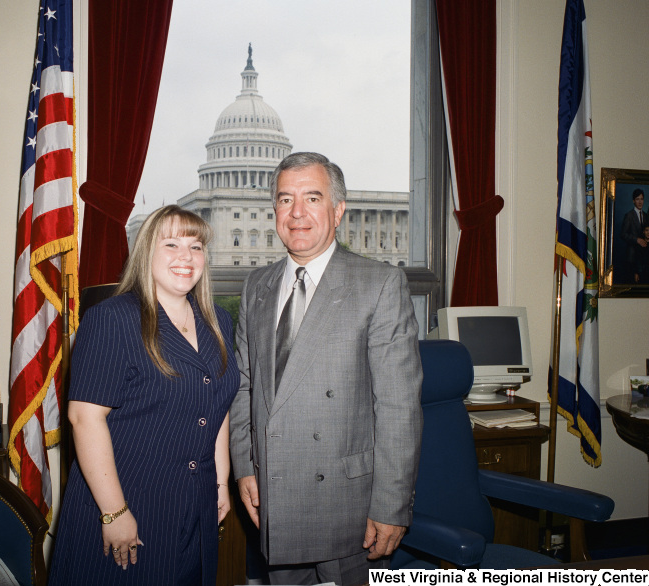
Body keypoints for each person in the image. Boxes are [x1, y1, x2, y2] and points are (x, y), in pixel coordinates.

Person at [229, 152, 423, 585]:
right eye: (285, 200)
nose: (297, 213)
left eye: (312, 198)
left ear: (337, 211)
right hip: (272, 496)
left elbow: (398, 408)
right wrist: (244, 465)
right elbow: (244, 387)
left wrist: (390, 506)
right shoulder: (256, 286)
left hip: (346, 507)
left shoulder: (380, 284)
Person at [48, 206, 240, 586]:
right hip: (127, 499)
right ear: (145, 253)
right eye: (171, 244)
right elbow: (84, 419)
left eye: (196, 246)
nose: (186, 257)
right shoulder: (113, 318)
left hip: (195, 504)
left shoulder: (218, 320)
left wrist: (220, 482)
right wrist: (114, 512)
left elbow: (216, 404)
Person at [620, 188, 648, 283]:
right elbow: (623, 234)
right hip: (632, 256)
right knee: (632, 284)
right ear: (633, 201)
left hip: (644, 256)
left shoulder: (646, 215)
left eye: (641, 199)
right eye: (637, 199)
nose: (640, 202)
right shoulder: (629, 215)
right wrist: (636, 240)